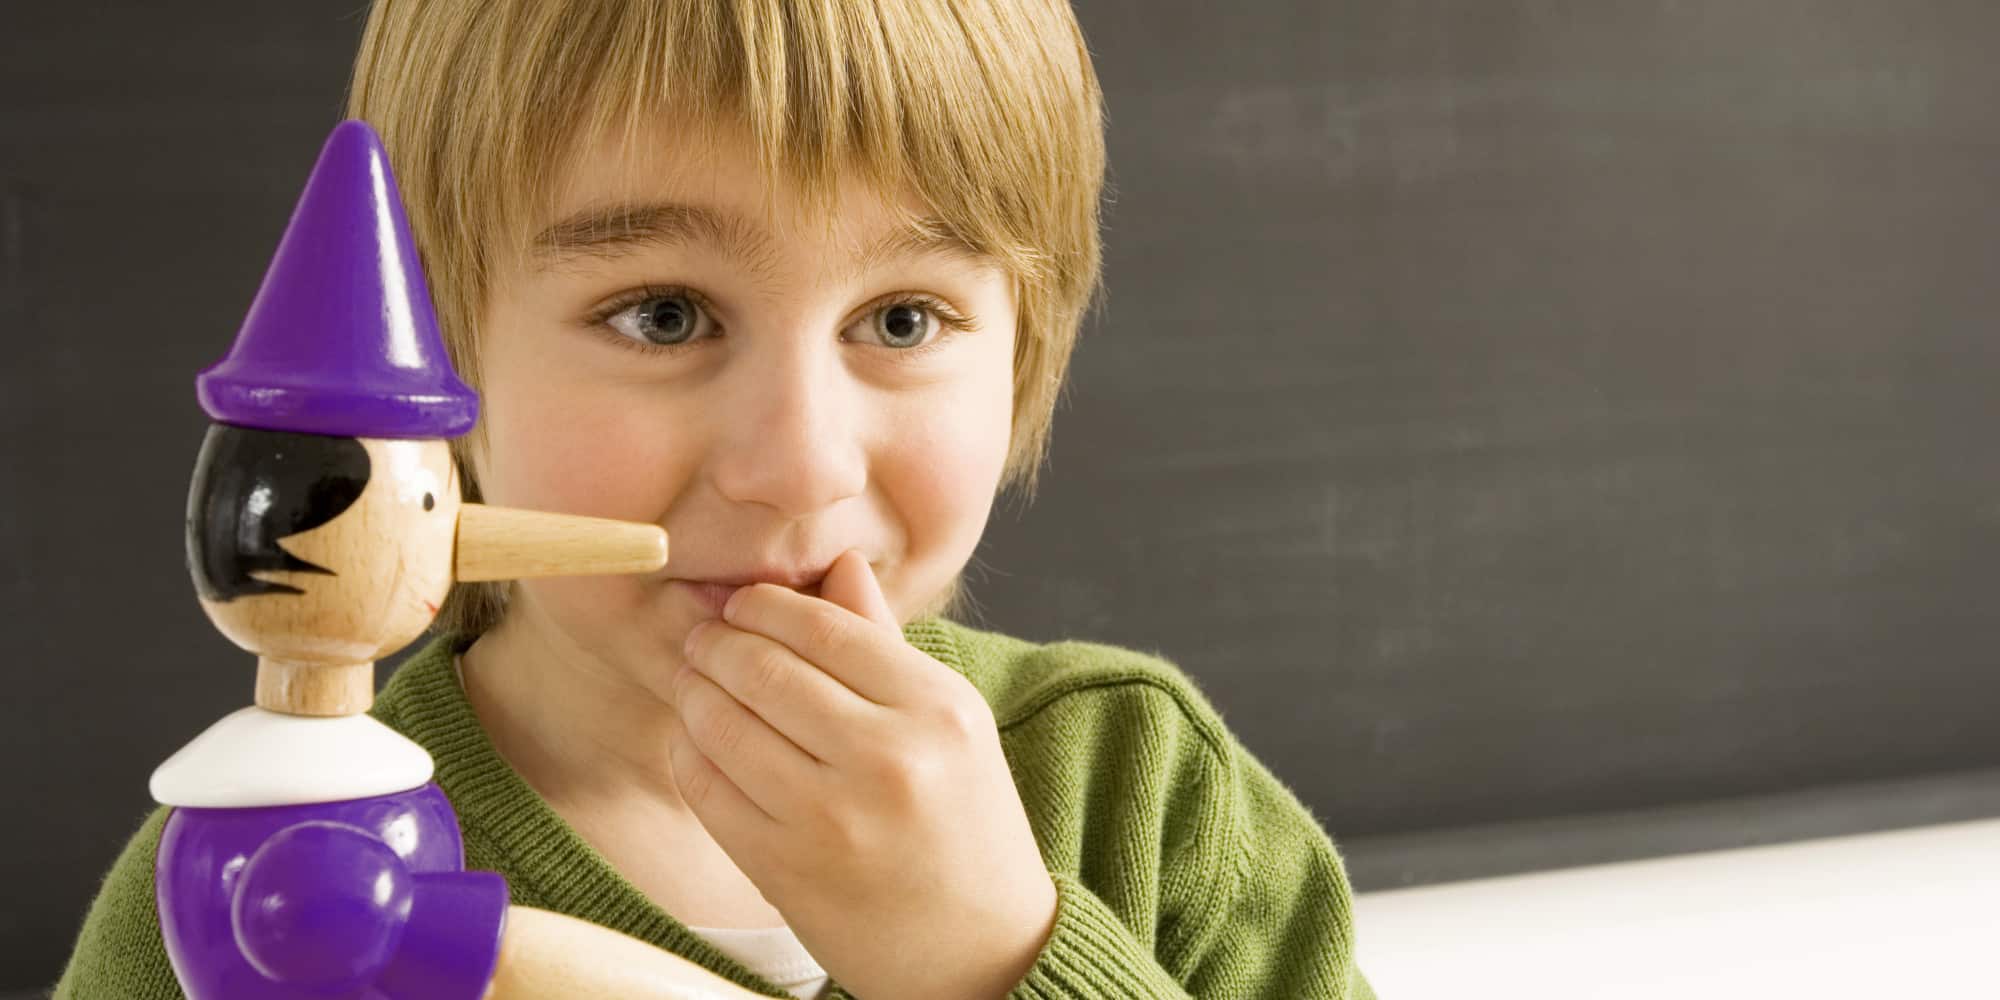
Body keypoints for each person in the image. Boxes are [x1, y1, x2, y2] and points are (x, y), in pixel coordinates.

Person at [55, 1, 1376, 997]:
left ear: (1027, 349)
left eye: (903, 318)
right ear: (439, 355)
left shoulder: (1139, 796)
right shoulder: (241, 885)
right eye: (665, 315)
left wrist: (995, 960)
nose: (799, 464)